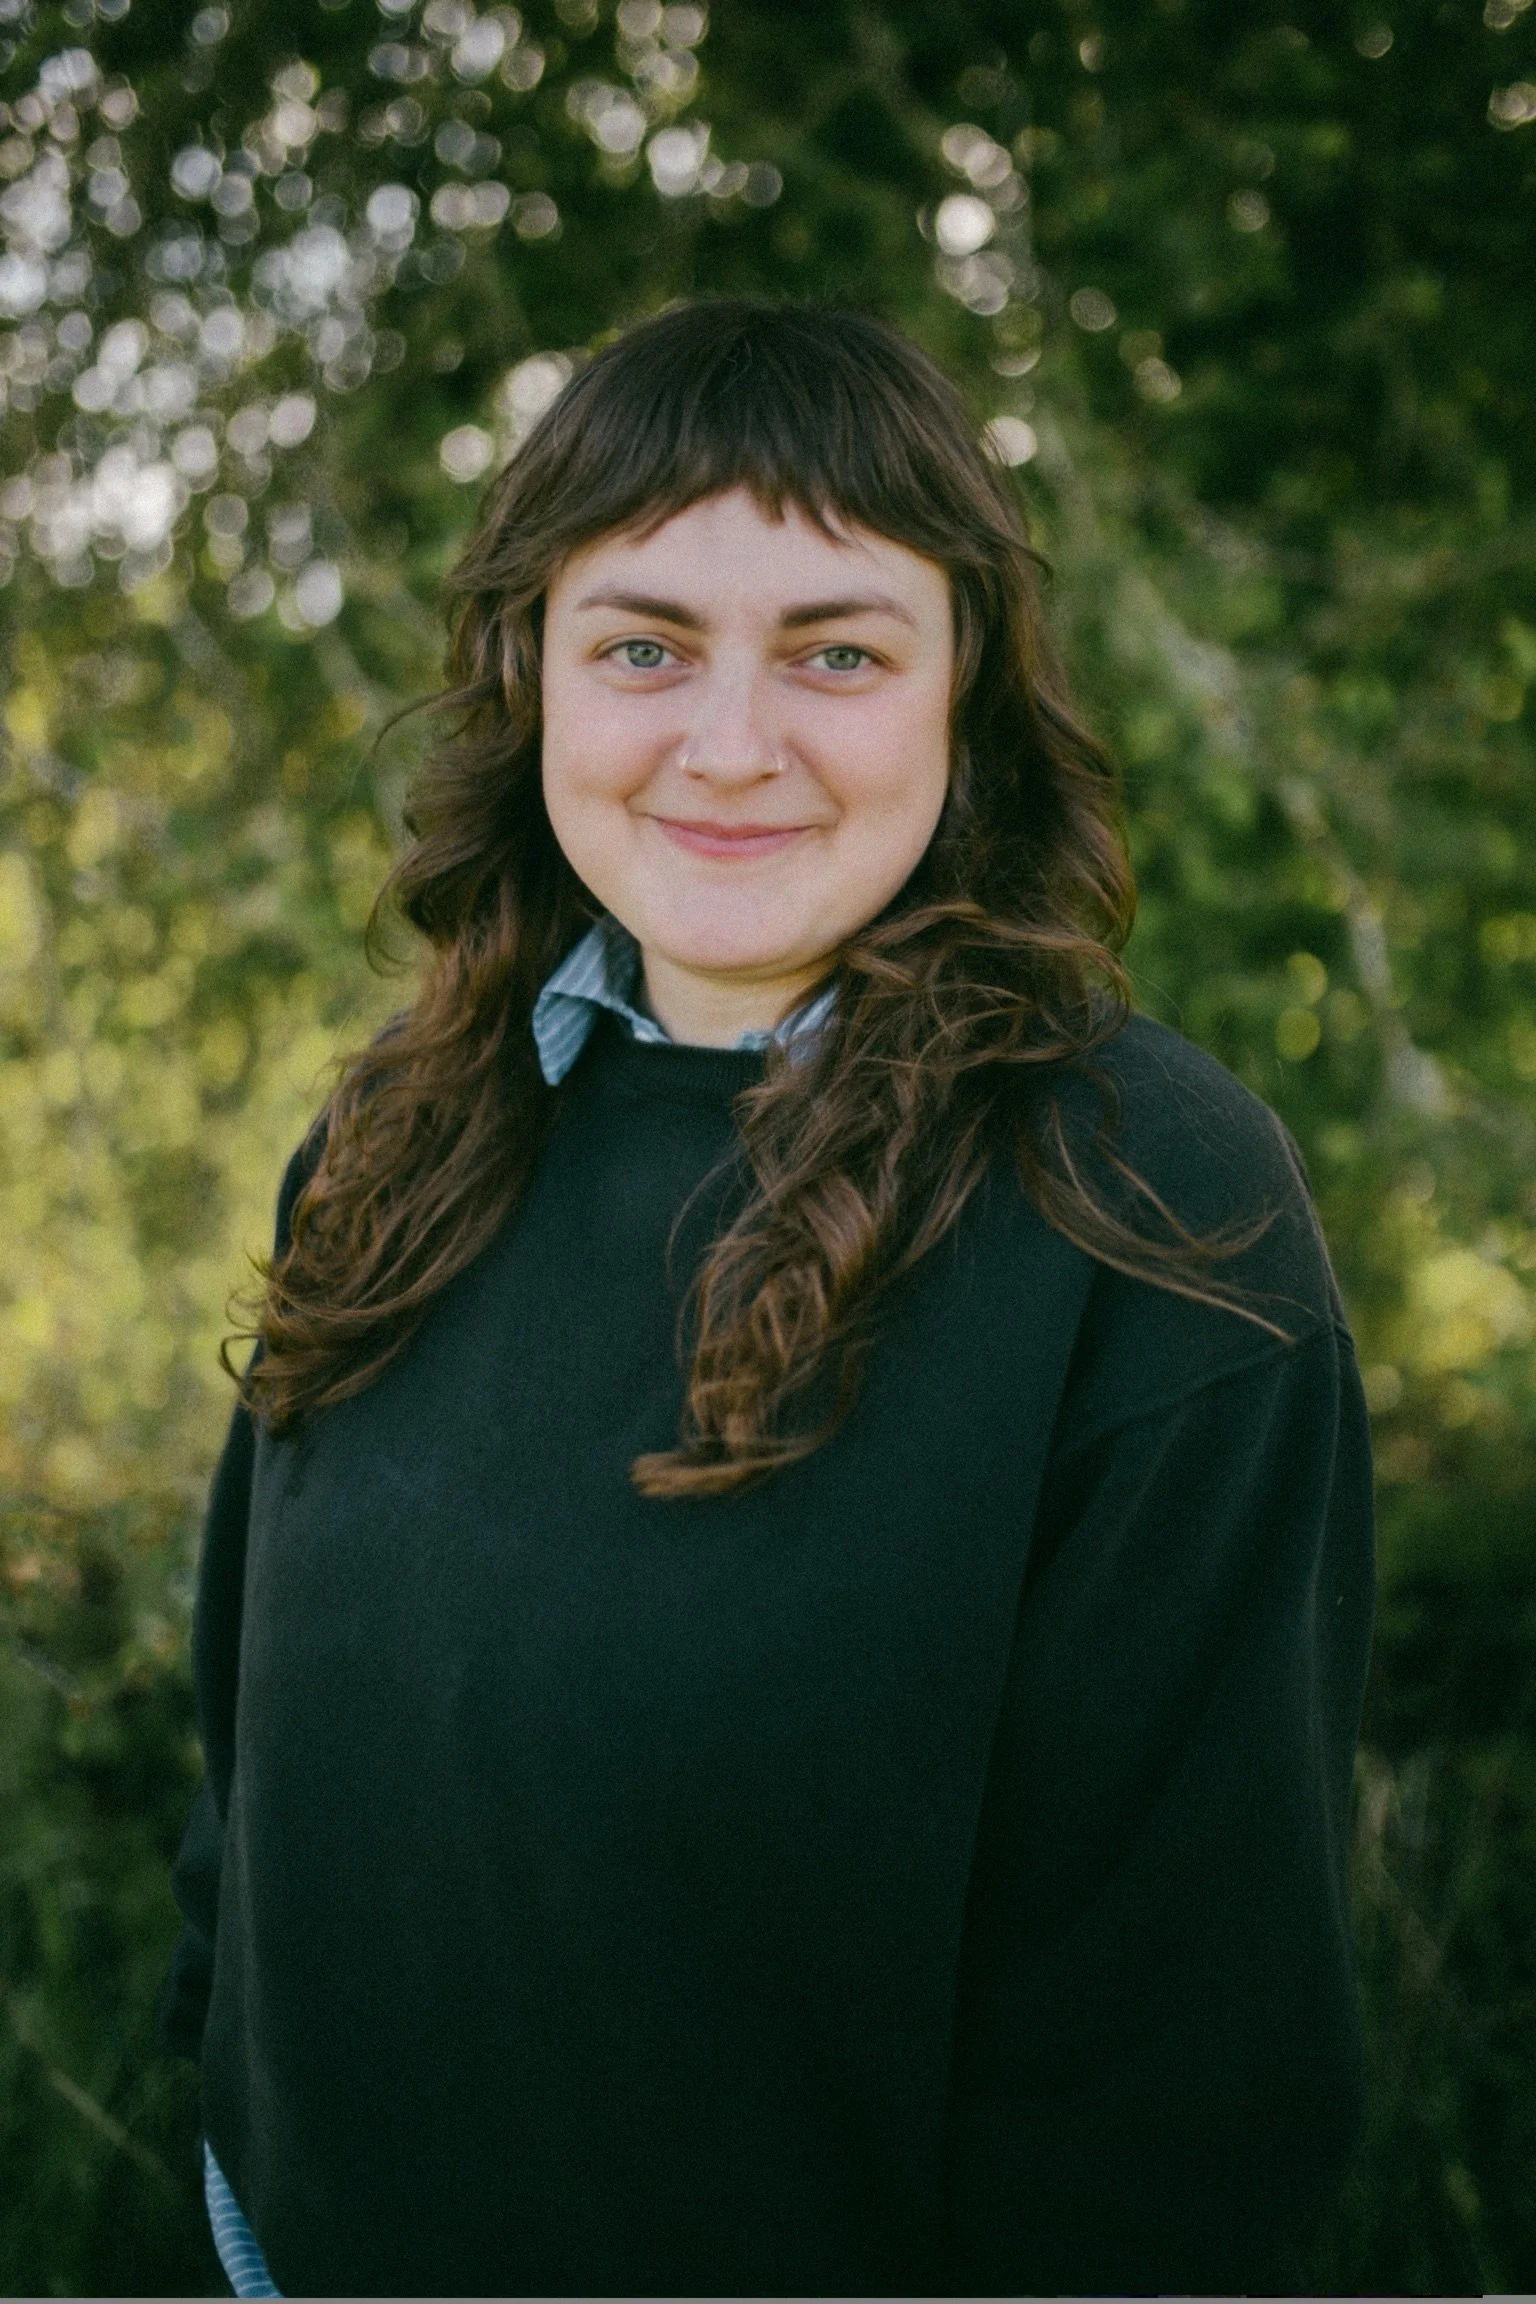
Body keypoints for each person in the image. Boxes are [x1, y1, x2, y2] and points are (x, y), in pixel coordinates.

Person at [159, 298, 1375, 2299]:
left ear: (960, 697)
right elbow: (256, 1730)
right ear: (530, 680)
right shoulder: (394, 1130)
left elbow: (1183, 2065)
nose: (731, 745)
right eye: (643, 647)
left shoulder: (1150, 1205)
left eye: (835, 652)